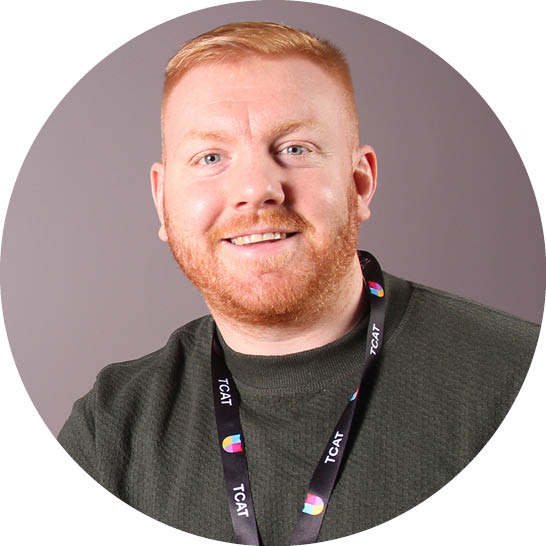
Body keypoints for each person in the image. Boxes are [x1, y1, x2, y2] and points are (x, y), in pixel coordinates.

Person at [58, 21, 540, 545]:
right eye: (211, 157)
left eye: (295, 148)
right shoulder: (113, 427)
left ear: (359, 183)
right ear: (162, 199)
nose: (256, 189)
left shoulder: (518, 383)